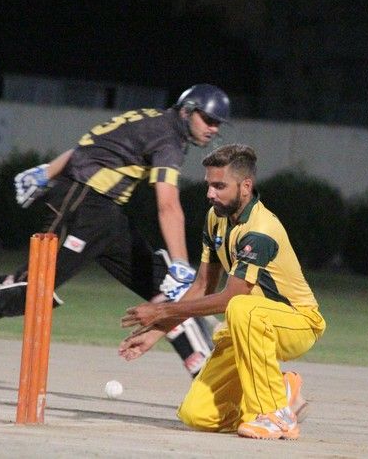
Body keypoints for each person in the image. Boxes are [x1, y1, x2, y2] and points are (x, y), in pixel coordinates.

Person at [0, 84, 230, 377]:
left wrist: (47, 171)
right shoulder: (168, 137)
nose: (213, 128)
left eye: (217, 123)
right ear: (186, 110)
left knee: (171, 295)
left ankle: (209, 385)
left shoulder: (154, 121)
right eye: (208, 119)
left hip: (104, 213)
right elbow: (168, 205)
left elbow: (89, 147)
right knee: (29, 292)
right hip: (83, 204)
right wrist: (180, 262)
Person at [119, 144, 326, 440]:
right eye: (209, 184)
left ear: (245, 186)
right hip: (248, 326)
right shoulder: (215, 218)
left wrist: (161, 310)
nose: (210, 193)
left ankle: (274, 416)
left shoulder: (260, 230)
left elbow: (231, 298)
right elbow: (202, 287)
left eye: (219, 186)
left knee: (240, 307)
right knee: (196, 415)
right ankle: (280, 390)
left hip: (298, 323)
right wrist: (157, 331)